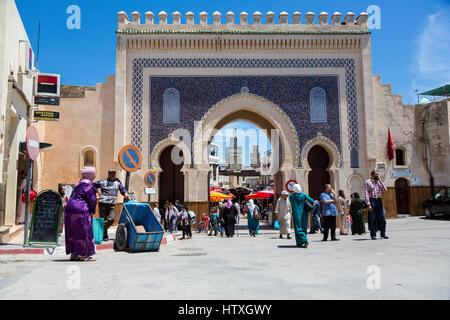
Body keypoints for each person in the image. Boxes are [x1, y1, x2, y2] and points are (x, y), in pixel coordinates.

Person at [64, 167, 97, 262]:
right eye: (94, 174)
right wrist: (92, 210)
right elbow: (92, 199)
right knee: (84, 231)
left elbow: (71, 196)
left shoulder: (78, 184)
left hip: (69, 208)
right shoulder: (89, 185)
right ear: (90, 175)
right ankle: (84, 255)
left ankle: (73, 254)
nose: (95, 176)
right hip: (80, 208)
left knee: (72, 231)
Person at [93, 169, 130, 241]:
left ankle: (98, 230)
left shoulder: (117, 182)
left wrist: (125, 193)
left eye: (114, 174)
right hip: (102, 203)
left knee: (111, 219)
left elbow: (122, 189)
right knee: (103, 219)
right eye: (111, 174)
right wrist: (97, 192)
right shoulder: (103, 181)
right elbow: (92, 185)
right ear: (108, 174)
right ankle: (104, 236)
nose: (112, 175)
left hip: (112, 204)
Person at [365, 170, 389, 240]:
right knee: (372, 218)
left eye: (378, 174)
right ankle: (373, 235)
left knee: (382, 217)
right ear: (372, 175)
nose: (378, 176)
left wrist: (381, 181)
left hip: (379, 200)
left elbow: (385, 190)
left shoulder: (379, 182)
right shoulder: (368, 182)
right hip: (372, 200)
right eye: (376, 174)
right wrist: (368, 204)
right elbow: (366, 193)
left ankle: (383, 233)